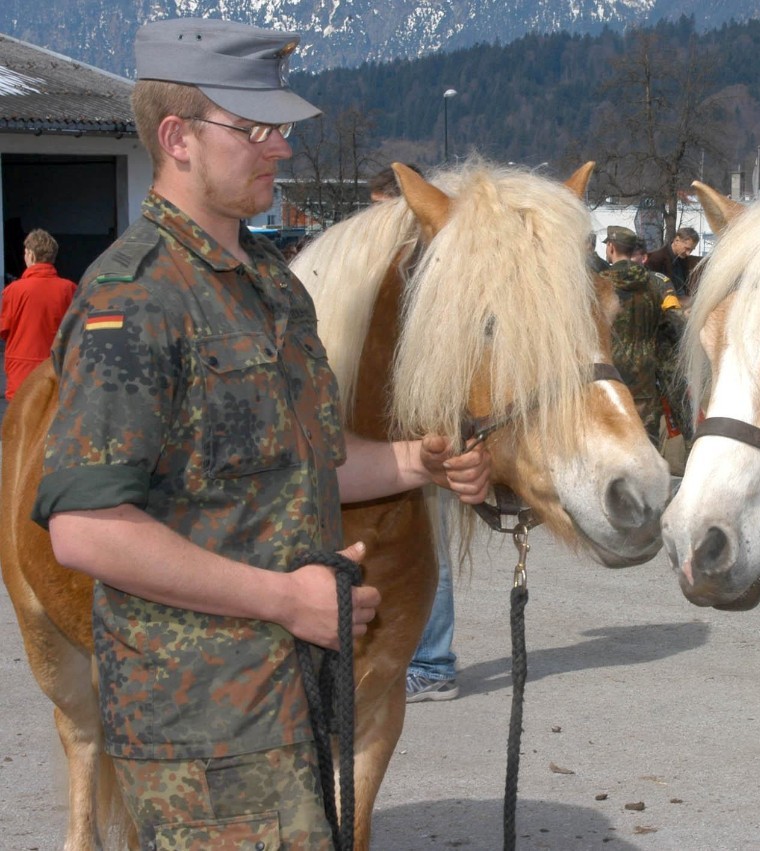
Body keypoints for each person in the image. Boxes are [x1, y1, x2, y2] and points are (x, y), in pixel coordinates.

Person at [31, 18, 490, 849]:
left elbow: (307, 463)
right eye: (254, 130)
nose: (279, 149)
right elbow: (85, 527)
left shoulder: (271, 287)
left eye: (279, 128)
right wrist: (286, 599)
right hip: (200, 728)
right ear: (176, 139)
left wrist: (418, 462)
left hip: (296, 703)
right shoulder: (134, 300)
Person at [365, 163, 462, 703]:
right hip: (388, 435)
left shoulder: (430, 274)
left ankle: (433, 661)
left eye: (392, 209)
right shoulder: (389, 271)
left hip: (423, 431)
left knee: (431, 549)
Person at [601, 225, 683, 448]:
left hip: (608, 379)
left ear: (611, 248)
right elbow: (675, 326)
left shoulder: (598, 285)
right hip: (645, 378)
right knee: (647, 445)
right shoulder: (657, 283)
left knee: (610, 445)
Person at [0, 228, 77, 401]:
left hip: (22, 371)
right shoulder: (69, 289)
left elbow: (4, 330)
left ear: (31, 255)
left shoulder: (13, 290)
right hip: (56, 368)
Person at [644, 226, 701, 302]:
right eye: (687, 248)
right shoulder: (656, 259)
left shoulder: (683, 258)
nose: (688, 253)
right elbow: (653, 292)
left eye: (691, 250)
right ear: (676, 241)